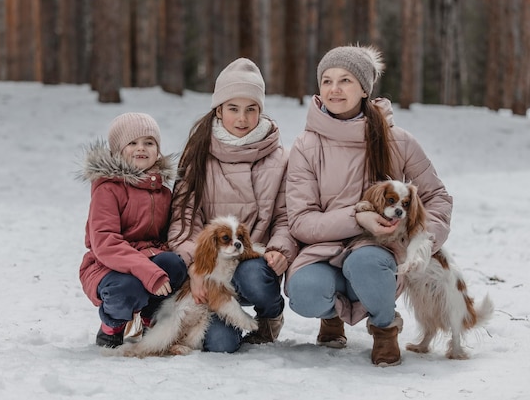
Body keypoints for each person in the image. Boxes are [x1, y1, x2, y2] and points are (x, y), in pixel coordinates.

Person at [285, 45, 453, 366]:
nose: (334, 89)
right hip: (323, 252)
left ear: (364, 89)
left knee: (365, 262)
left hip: (380, 252)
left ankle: (385, 327)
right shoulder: (306, 145)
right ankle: (332, 314)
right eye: (327, 81)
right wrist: (359, 219)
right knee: (304, 292)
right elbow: (301, 221)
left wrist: (419, 242)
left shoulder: (398, 140)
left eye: (345, 80)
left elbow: (437, 197)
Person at [168, 58, 298, 353]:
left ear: (260, 111)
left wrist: (280, 249)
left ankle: (269, 316)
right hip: (212, 267)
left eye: (251, 109)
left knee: (252, 276)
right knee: (219, 345)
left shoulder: (280, 157)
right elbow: (183, 217)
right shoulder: (198, 155)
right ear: (218, 110)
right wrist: (195, 266)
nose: (242, 118)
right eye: (233, 109)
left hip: (253, 261)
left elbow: (285, 217)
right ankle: (227, 320)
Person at [78, 112, 188, 348]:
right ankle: (112, 326)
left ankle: (149, 320)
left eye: (149, 143)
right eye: (133, 143)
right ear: (118, 150)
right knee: (128, 288)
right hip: (106, 265)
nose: (141, 148)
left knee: (174, 264)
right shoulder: (107, 190)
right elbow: (105, 242)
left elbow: (167, 236)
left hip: (147, 258)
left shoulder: (162, 192)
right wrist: (148, 272)